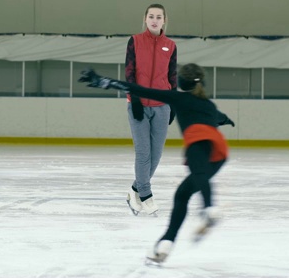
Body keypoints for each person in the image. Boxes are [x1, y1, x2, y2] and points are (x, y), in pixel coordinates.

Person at [78, 63, 235, 265]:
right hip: (219, 152)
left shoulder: (177, 97)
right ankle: (166, 243)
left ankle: (210, 209)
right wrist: (226, 119)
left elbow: (138, 89)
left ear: (181, 82)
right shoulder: (209, 105)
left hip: (199, 141)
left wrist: (104, 81)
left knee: (198, 172)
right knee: (182, 194)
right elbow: (219, 117)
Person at [124, 3, 177, 216]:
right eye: (151, 16)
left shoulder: (171, 46)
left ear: (164, 21)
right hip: (138, 105)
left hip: (161, 107)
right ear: (145, 19)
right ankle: (145, 195)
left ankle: (134, 190)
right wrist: (134, 98)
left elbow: (172, 77)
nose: (155, 20)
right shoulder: (135, 41)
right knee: (143, 153)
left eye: (159, 17)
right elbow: (129, 71)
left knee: (156, 155)